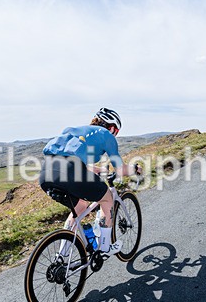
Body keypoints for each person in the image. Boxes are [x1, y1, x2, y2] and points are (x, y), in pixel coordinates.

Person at [39, 107, 140, 255]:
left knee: (79, 207)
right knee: (107, 199)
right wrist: (134, 169)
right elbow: (120, 169)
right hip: (72, 170)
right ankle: (105, 247)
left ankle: (61, 257)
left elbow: (74, 161)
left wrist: (100, 170)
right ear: (112, 127)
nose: (115, 135)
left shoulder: (73, 131)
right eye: (116, 132)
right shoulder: (106, 134)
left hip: (46, 172)